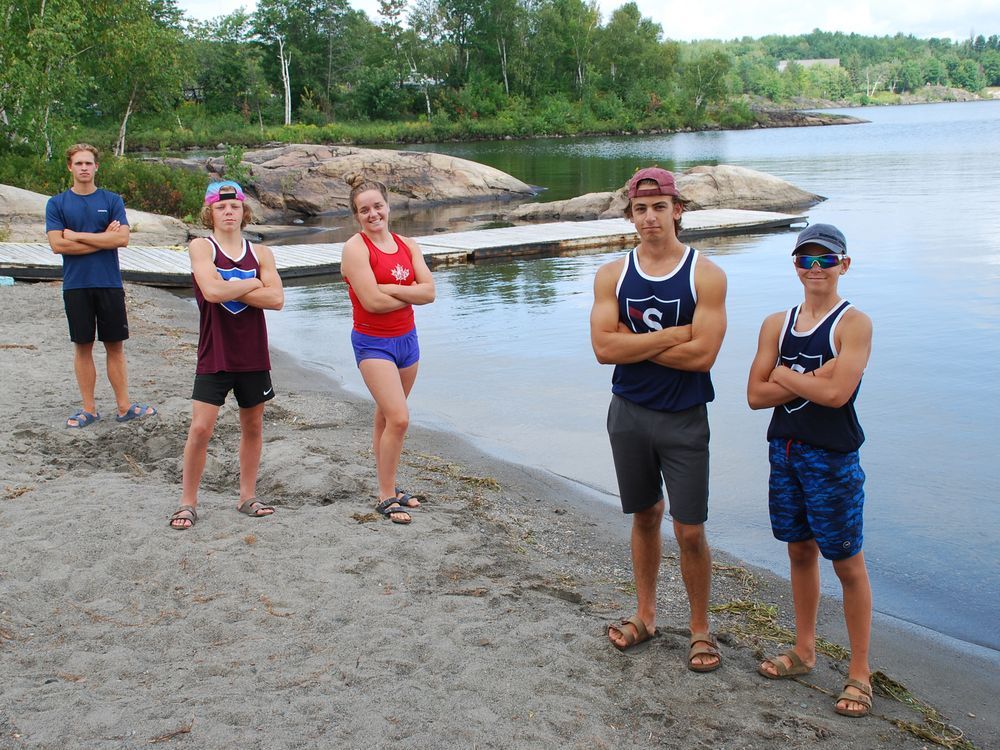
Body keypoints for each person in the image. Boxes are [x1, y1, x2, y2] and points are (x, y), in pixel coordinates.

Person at [589, 167, 727, 670]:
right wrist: (673, 336)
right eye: (641, 209)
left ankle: (700, 631)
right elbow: (604, 348)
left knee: (690, 529)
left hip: (684, 417)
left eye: (660, 207)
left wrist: (635, 344)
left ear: (678, 209)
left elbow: (703, 356)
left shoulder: (705, 274)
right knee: (645, 515)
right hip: (628, 413)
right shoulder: (613, 274)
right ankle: (646, 616)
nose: (650, 217)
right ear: (631, 214)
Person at [747, 223, 874, 718]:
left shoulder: (853, 323)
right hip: (785, 451)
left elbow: (838, 394)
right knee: (799, 550)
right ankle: (804, 650)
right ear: (795, 266)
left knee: (847, 563)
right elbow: (755, 396)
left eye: (826, 260)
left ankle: (860, 673)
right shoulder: (776, 323)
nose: (815, 269)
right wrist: (806, 376)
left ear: (844, 265)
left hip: (833, 456)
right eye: (806, 260)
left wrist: (782, 373)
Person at [169, 181, 284, 530]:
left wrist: (235, 286)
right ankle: (188, 502)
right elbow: (213, 291)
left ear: (244, 212)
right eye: (221, 207)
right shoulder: (202, 247)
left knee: (252, 426)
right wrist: (254, 284)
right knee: (201, 428)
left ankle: (247, 495)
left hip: (253, 355)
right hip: (215, 353)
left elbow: (277, 299)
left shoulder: (261, 253)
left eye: (234, 207)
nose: (229, 212)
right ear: (211, 212)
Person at [341, 180, 435, 525]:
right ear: (356, 216)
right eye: (364, 209)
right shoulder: (355, 248)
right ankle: (384, 496)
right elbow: (372, 302)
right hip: (373, 343)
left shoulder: (408, 245)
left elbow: (429, 293)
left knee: (385, 415)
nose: (373, 213)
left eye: (377, 206)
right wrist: (407, 290)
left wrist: (389, 287)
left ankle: (391, 486)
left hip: (407, 340)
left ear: (388, 206)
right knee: (399, 418)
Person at [45, 143, 156, 428]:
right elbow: (58, 245)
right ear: (70, 167)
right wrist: (100, 239)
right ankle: (89, 409)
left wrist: (77, 236)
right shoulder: (57, 204)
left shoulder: (111, 200)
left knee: (115, 346)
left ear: (97, 167)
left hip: (108, 283)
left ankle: (124, 406)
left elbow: (121, 240)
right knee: (83, 346)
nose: (84, 168)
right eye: (79, 163)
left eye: (89, 163)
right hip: (76, 285)